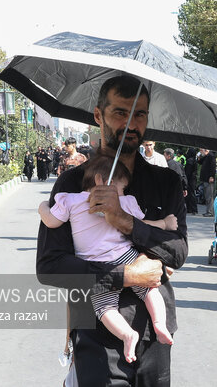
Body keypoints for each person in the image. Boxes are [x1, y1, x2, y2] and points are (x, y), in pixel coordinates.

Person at [36, 74, 188, 386]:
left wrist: (125, 221)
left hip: (156, 327)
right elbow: (50, 266)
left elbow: (178, 252)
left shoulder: (167, 181)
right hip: (95, 326)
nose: (131, 123)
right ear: (98, 115)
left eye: (140, 114)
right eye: (120, 112)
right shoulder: (71, 185)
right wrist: (125, 276)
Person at [39, 154, 176, 363]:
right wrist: (165, 224)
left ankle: (127, 335)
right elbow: (144, 224)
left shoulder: (70, 200)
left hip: (96, 264)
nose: (122, 194)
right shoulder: (126, 202)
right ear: (102, 181)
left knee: (104, 308)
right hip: (126, 255)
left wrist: (42, 208)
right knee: (149, 289)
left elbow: (51, 222)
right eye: (121, 188)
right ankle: (159, 323)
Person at [198, 148, 216, 217]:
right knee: (207, 195)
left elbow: (213, 166)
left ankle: (210, 211)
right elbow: (200, 162)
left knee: (209, 196)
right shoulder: (206, 156)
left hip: (208, 178)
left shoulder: (211, 156)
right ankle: (208, 211)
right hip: (205, 179)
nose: (200, 152)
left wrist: (211, 176)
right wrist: (199, 155)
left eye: (201, 150)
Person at [184, 147, 198, 215]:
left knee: (190, 193)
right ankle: (192, 209)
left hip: (189, 179)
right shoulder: (194, 160)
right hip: (193, 179)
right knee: (191, 193)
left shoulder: (189, 161)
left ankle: (191, 208)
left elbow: (188, 172)